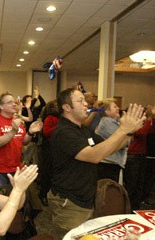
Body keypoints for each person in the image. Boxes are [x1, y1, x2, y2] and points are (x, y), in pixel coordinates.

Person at [47, 87, 145, 239]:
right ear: (66, 107)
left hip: (85, 198)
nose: (86, 104)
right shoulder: (63, 132)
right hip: (69, 201)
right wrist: (122, 129)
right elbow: (94, 156)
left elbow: (110, 147)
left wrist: (128, 132)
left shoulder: (83, 130)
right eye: (80, 101)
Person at [0, 92, 43, 190]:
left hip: (16, 167)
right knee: (4, 198)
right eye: (9, 102)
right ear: (1, 106)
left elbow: (24, 141)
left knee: (17, 197)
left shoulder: (18, 120)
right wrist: (13, 131)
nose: (14, 104)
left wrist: (30, 132)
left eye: (14, 102)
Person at [95, 98, 129, 183]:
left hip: (109, 163)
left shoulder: (111, 122)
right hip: (108, 164)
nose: (118, 108)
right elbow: (124, 143)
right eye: (115, 107)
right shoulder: (108, 122)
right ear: (107, 111)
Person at [37, 99, 59, 206]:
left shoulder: (62, 118)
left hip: (57, 149)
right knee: (46, 173)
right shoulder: (50, 118)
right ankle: (43, 195)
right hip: (48, 149)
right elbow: (46, 132)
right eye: (56, 105)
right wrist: (60, 126)